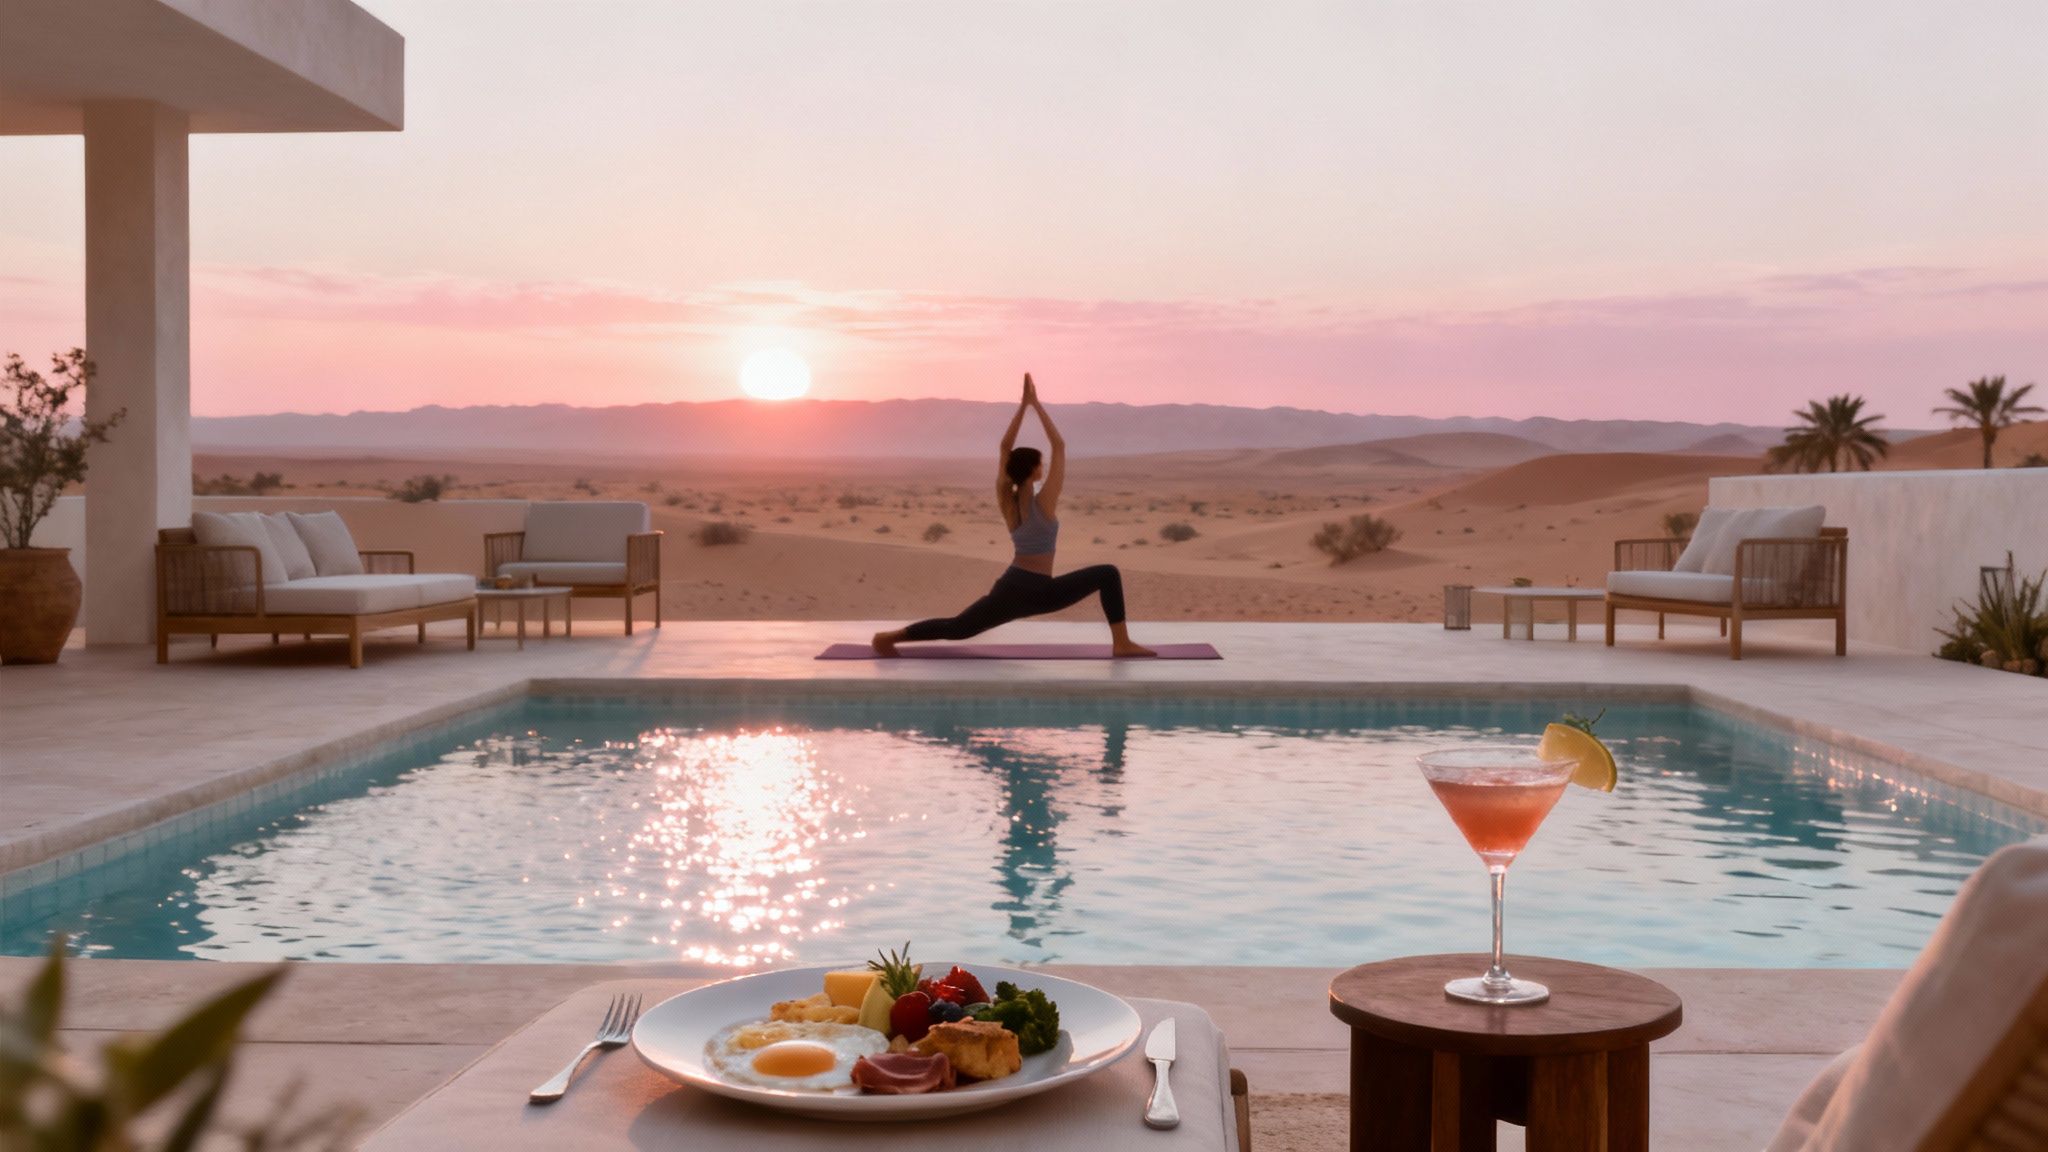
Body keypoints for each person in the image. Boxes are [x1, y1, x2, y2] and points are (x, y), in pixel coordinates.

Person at [873, 375, 1155, 657]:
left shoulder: (1007, 500)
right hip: (1040, 591)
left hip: (1012, 587)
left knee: (958, 627)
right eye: (1040, 463)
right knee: (1108, 574)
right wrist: (1035, 405)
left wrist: (1023, 406)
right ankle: (1121, 643)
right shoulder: (1044, 502)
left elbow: (1004, 448)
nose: (1044, 466)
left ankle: (889, 638)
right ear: (1034, 470)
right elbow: (1058, 445)